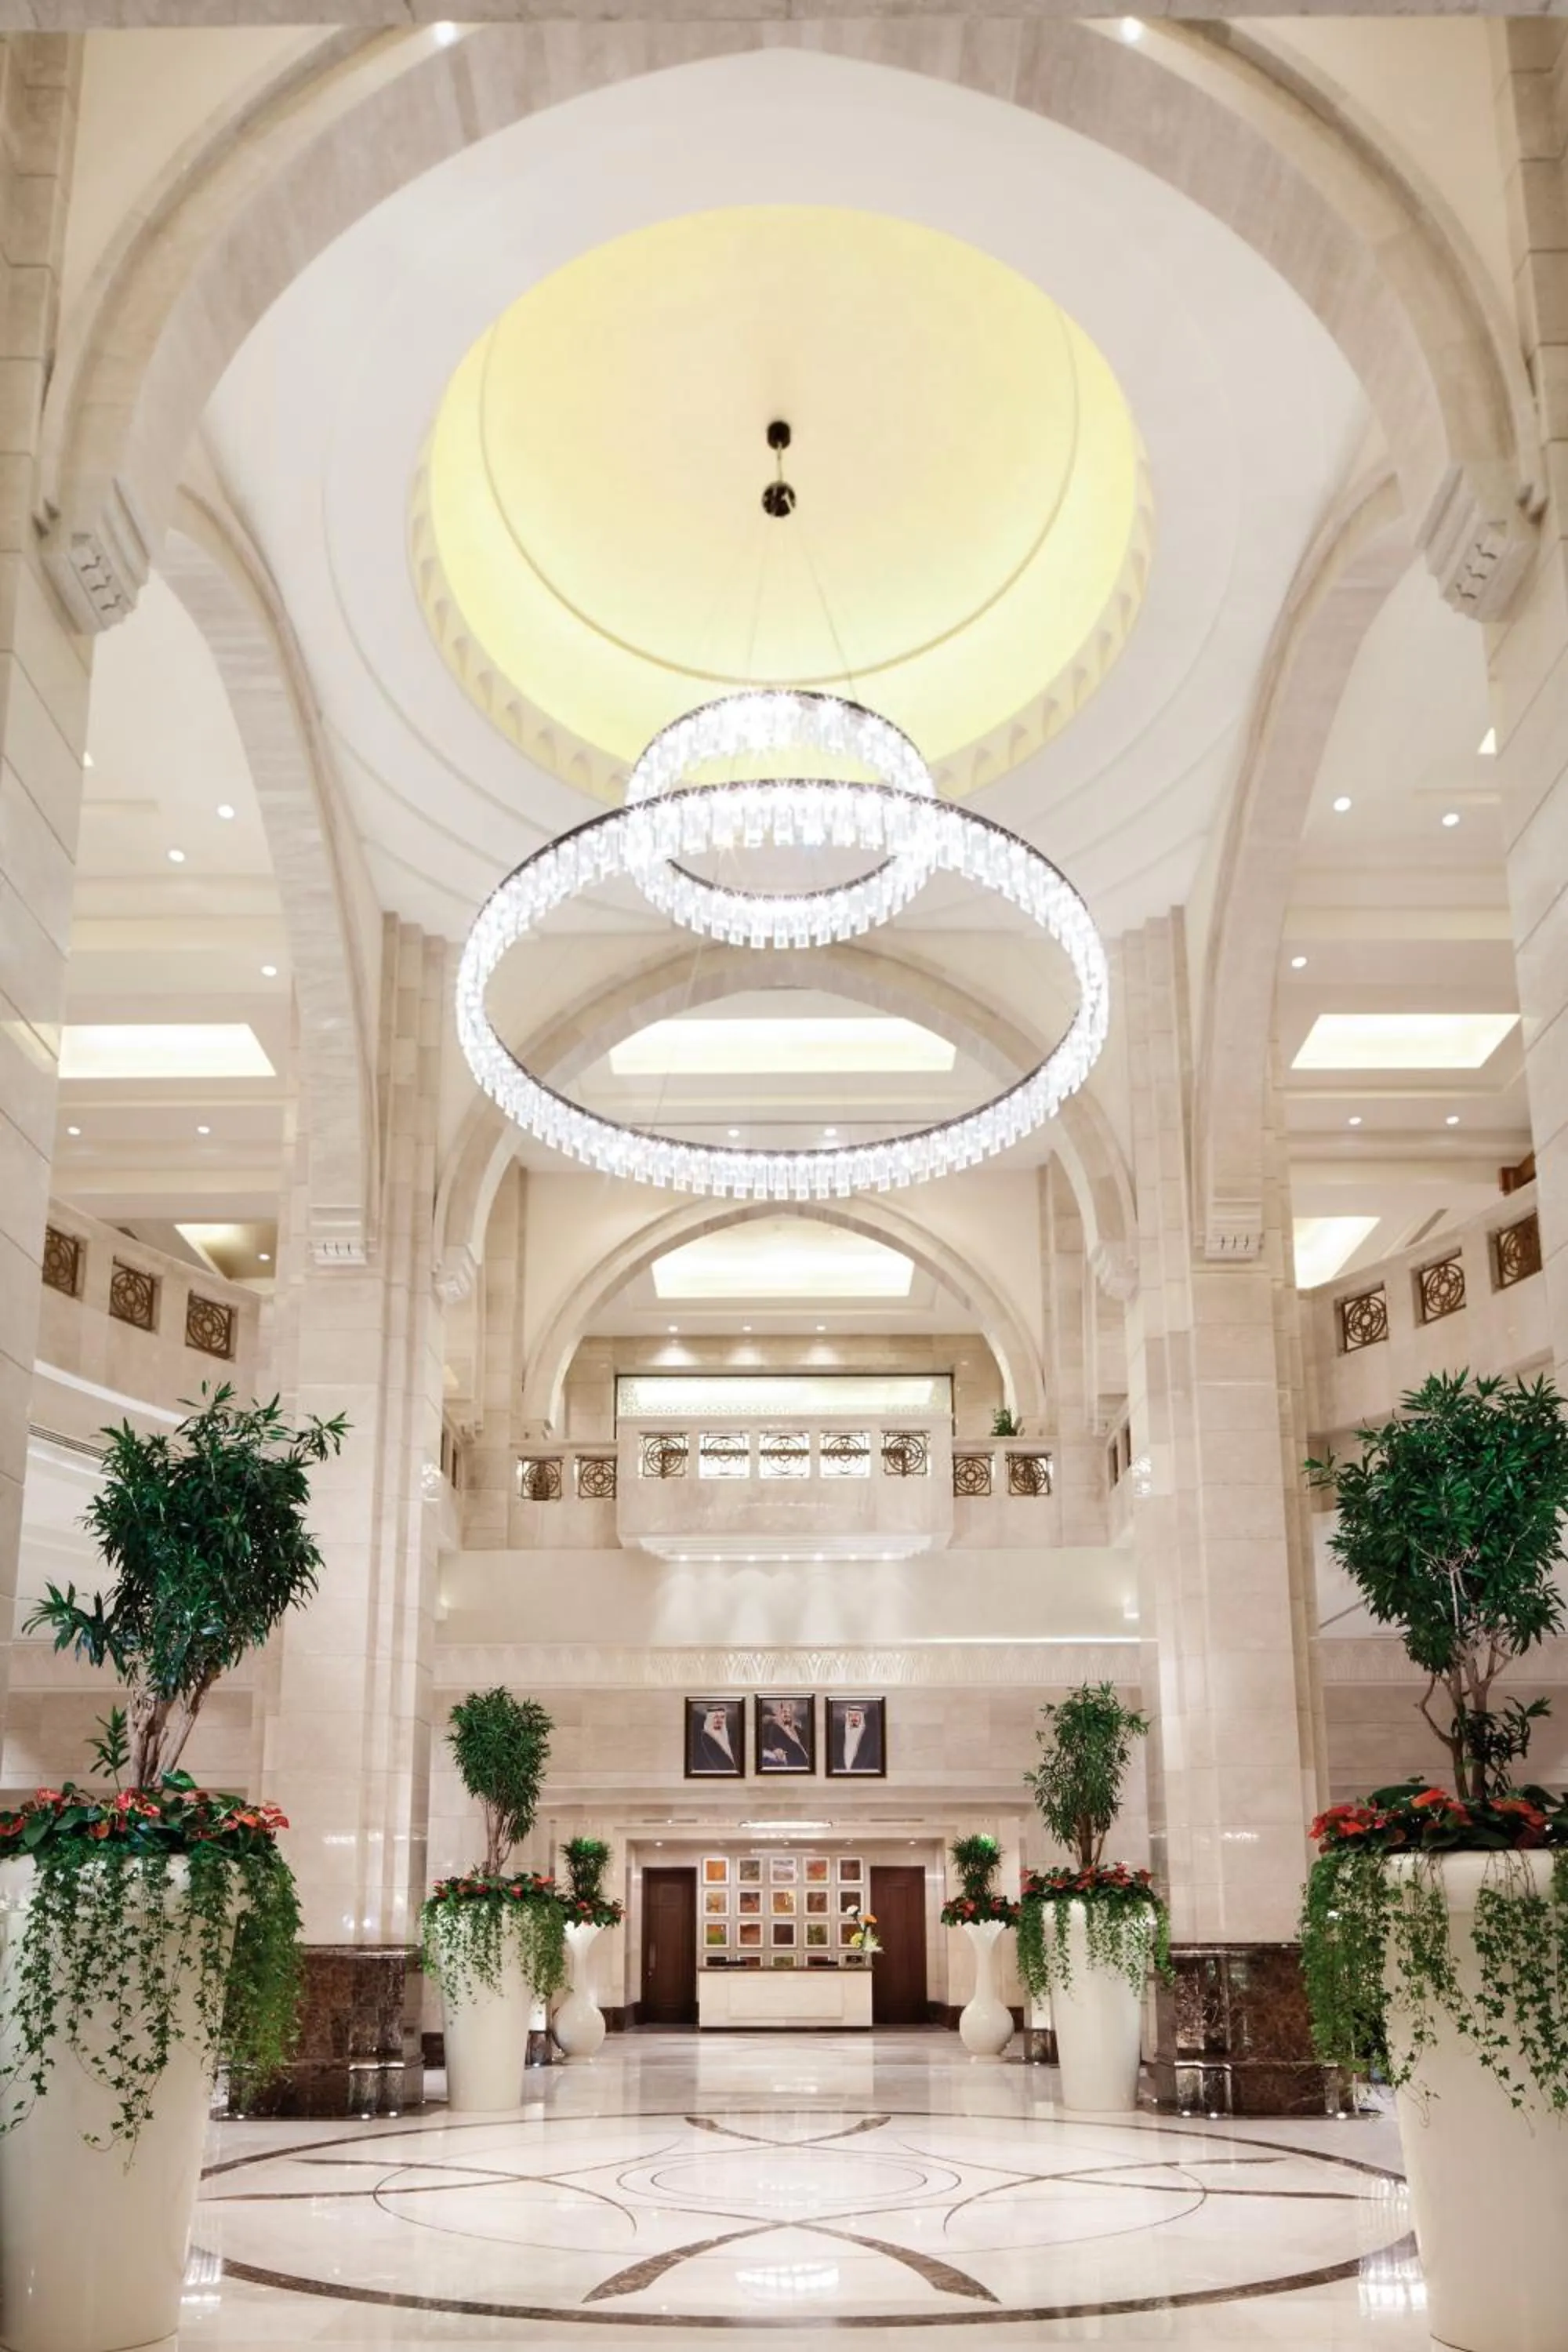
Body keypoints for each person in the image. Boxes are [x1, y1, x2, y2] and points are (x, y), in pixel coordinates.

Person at [758, 1697, 812, 1773]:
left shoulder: (799, 1730)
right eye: (784, 1712)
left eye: (789, 1712)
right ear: (779, 1714)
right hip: (791, 1766)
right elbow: (767, 1743)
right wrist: (775, 1750)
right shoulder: (774, 1728)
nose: (787, 1714)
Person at [832, 1701, 883, 1775]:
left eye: (857, 1715)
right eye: (851, 1715)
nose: (854, 1718)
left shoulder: (873, 1737)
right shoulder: (837, 1735)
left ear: (862, 1717)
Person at [690, 1701, 742, 1774]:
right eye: (716, 1717)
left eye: (722, 1717)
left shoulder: (725, 1736)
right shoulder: (704, 1738)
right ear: (710, 1718)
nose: (719, 1720)